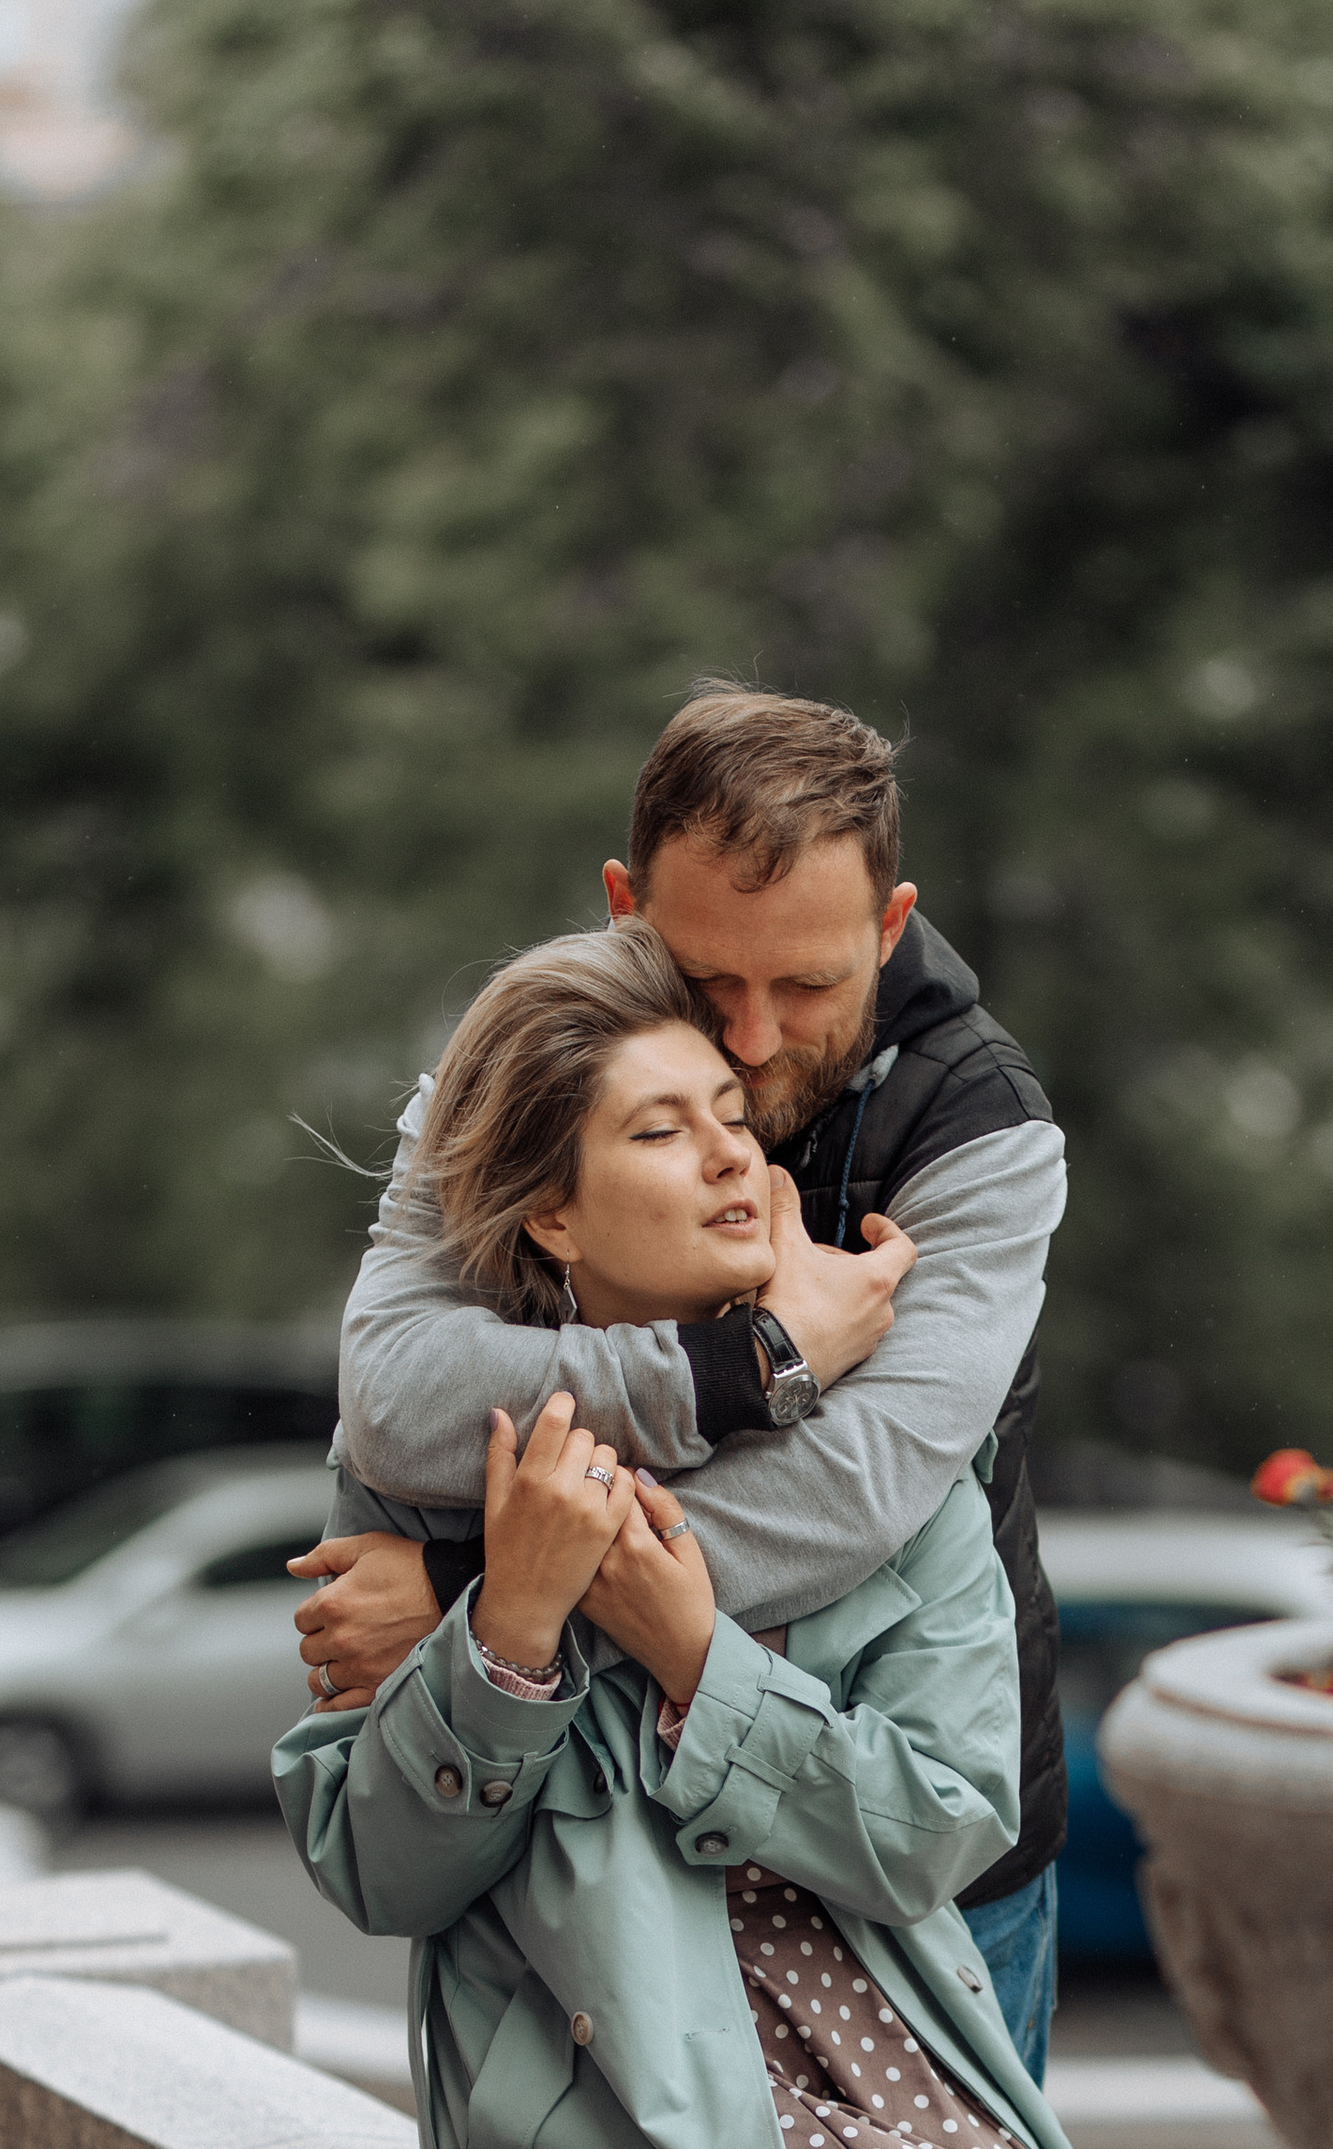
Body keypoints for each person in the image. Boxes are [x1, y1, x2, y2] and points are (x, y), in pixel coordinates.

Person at [275, 920, 1276, 2149]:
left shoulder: (894, 1469)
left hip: (885, 2062)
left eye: (735, 1120)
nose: (733, 1156)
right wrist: (506, 1630)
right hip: (607, 2129)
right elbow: (376, 1869)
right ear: (552, 1211)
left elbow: (940, 1822)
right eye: (661, 1132)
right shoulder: (440, 1472)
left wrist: (692, 1655)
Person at [288, 684, 1071, 2077]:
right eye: (712, 985)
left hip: (910, 1856)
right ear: (626, 908)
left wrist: (487, 1590)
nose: (754, 1041)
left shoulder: (985, 1134)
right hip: (600, 1886)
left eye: (810, 986)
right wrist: (752, 1364)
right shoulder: (535, 1065)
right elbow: (396, 1394)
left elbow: (846, 1497)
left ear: (890, 927)